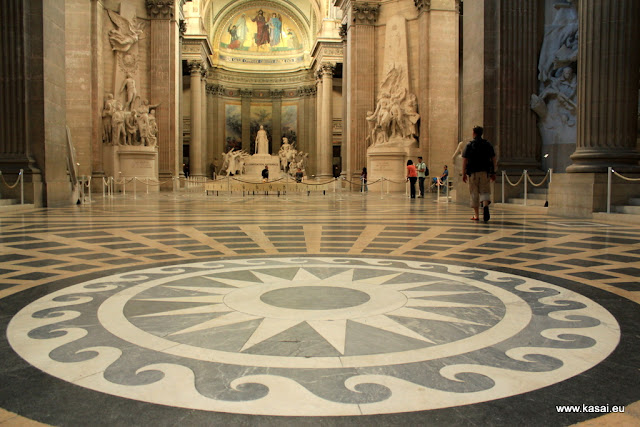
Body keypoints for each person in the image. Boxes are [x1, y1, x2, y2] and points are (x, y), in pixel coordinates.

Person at [462, 126, 497, 222]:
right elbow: (493, 159)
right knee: (484, 190)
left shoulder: (469, 145)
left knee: (474, 192)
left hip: (473, 172)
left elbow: (465, 160)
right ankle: (485, 206)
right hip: (485, 172)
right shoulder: (487, 144)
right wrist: (493, 172)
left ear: (474, 133)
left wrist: (463, 173)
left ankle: (476, 215)